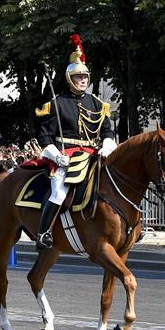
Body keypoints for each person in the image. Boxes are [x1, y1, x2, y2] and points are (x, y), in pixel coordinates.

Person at [34, 34, 116, 250]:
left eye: (85, 78)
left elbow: (107, 131)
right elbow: (44, 136)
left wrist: (107, 146)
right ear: (70, 79)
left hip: (93, 154)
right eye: (79, 78)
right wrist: (55, 155)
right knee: (59, 192)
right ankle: (43, 233)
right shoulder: (57, 104)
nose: (83, 81)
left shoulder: (98, 104)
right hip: (66, 157)